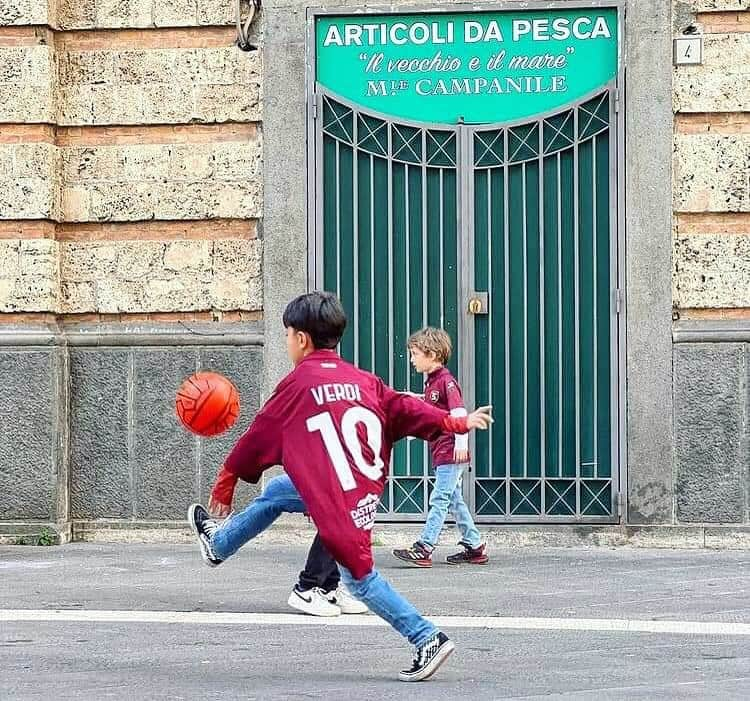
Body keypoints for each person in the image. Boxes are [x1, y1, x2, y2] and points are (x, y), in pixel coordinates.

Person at [187, 291, 492, 681]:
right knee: (279, 493)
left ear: (300, 339)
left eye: (286, 336)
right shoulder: (363, 380)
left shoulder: (296, 385)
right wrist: (453, 423)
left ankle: (425, 636)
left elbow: (258, 433)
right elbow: (404, 406)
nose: (287, 343)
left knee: (360, 580)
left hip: (338, 502)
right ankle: (218, 544)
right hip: (357, 489)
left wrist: (226, 480)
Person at [393, 328, 489, 567]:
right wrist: (412, 398)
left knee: (440, 498)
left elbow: (458, 413)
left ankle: (424, 547)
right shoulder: (433, 383)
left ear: (433, 354)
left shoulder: (446, 382)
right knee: (454, 499)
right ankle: (475, 545)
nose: (412, 359)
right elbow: (433, 408)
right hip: (442, 451)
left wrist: (461, 444)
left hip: (450, 452)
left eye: (415, 354)